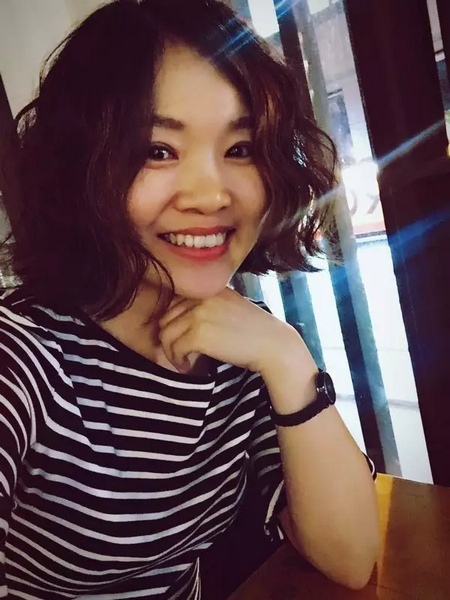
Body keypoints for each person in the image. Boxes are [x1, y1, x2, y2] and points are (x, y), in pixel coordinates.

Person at [0, 0, 380, 598]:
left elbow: (351, 557)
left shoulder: (244, 347)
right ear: (80, 169)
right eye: (157, 150)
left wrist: (288, 358)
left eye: (241, 148)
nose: (210, 196)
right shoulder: (25, 355)